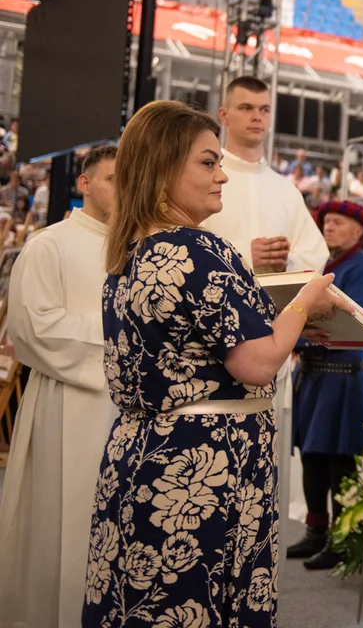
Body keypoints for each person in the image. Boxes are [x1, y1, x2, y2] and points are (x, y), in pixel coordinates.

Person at [82, 100, 342, 626]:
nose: (222, 175)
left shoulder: (131, 252)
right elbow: (257, 364)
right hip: (204, 465)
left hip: (141, 453)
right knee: (194, 604)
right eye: (207, 162)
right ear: (162, 169)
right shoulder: (198, 249)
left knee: (142, 601)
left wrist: (287, 324)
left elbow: (199, 342)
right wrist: (303, 304)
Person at [201, 75, 330, 527]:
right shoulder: (205, 178)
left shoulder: (284, 189)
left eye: (264, 109)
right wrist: (245, 255)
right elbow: (187, 248)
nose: (257, 117)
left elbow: (314, 256)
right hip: (211, 341)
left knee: (258, 478)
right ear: (223, 115)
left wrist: (284, 262)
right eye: (246, 108)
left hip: (271, 333)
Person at [0, 145, 117, 627]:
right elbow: (33, 328)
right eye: (113, 179)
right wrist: (125, 336)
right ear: (84, 183)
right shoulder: (50, 245)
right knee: (61, 528)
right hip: (67, 402)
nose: (125, 189)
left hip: (129, 410)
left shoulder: (146, 247)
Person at [286, 199, 363, 570]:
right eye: (326, 221)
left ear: (359, 231)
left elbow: (352, 318)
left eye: (338, 222)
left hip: (341, 376)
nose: (328, 227)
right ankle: (316, 531)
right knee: (311, 456)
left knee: (338, 459)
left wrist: (292, 333)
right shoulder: (319, 265)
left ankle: (342, 539)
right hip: (312, 373)